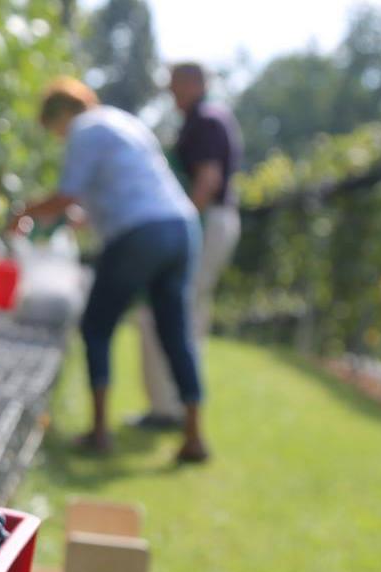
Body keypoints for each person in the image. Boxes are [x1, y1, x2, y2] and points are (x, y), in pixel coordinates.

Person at [11, 77, 209, 462]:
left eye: (53, 129)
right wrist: (73, 220)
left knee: (96, 326)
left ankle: (99, 431)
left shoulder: (85, 129)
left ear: (61, 115)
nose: (57, 137)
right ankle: (193, 434)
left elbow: (67, 194)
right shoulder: (125, 123)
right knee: (174, 331)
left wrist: (23, 213)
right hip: (182, 228)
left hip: (140, 233)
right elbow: (116, 192)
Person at [133, 62, 243, 429]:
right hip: (210, 220)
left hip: (205, 220)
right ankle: (177, 405)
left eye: (174, 84)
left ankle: (170, 409)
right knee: (189, 313)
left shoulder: (207, 119)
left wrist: (179, 226)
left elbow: (207, 181)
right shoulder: (208, 117)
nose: (170, 91)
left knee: (169, 310)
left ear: (194, 82)